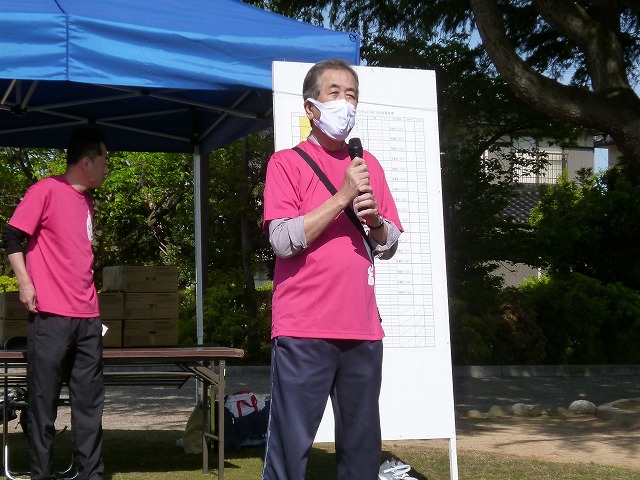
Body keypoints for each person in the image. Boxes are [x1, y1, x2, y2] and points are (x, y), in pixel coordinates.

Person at [261, 59, 403, 480]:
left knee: (362, 454)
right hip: (304, 328)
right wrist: (341, 197)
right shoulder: (285, 163)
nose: (346, 103)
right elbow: (282, 240)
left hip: (362, 330)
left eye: (352, 95)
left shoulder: (368, 164)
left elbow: (390, 242)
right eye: (335, 93)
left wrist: (375, 222)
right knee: (290, 449)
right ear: (311, 107)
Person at [1, 127, 108, 480]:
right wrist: (25, 282)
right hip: (51, 317)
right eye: (105, 160)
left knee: (89, 408)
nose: (108, 168)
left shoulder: (87, 201)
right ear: (86, 162)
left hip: (88, 319)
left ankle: (91, 475)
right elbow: (11, 235)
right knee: (42, 406)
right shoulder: (46, 189)